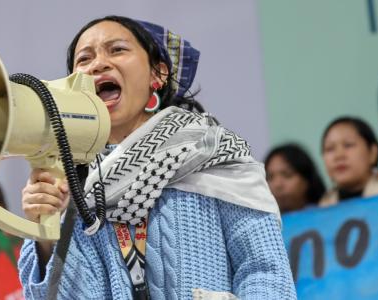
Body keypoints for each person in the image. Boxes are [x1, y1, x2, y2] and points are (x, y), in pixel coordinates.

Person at [18, 15, 296, 299]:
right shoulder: (76, 186)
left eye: (117, 50)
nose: (98, 63)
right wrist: (46, 230)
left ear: (158, 74)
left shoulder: (214, 153)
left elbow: (265, 271)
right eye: (84, 59)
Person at [265, 143, 326, 213]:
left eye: (287, 175)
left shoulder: (327, 215)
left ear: (307, 180)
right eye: (270, 177)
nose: (277, 184)